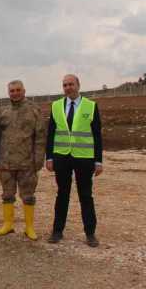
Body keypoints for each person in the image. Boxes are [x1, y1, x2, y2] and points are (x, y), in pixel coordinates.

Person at [46, 74, 103, 247]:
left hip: (84, 158)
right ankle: (57, 231)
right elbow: (51, 134)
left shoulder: (91, 106)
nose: (68, 87)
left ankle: (90, 233)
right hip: (61, 157)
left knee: (85, 195)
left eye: (71, 84)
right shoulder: (56, 106)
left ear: (78, 85)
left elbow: (97, 135)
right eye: (65, 85)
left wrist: (98, 161)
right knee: (62, 194)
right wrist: (49, 157)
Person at [0, 80, 45, 240]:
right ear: (8, 93)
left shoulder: (34, 111)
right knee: (7, 195)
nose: (15, 93)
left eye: (17, 90)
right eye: (12, 91)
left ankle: (29, 227)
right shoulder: (2, 112)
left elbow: (41, 137)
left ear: (24, 90)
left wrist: (38, 158)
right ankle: (8, 225)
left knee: (28, 196)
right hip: (6, 163)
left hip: (27, 163)